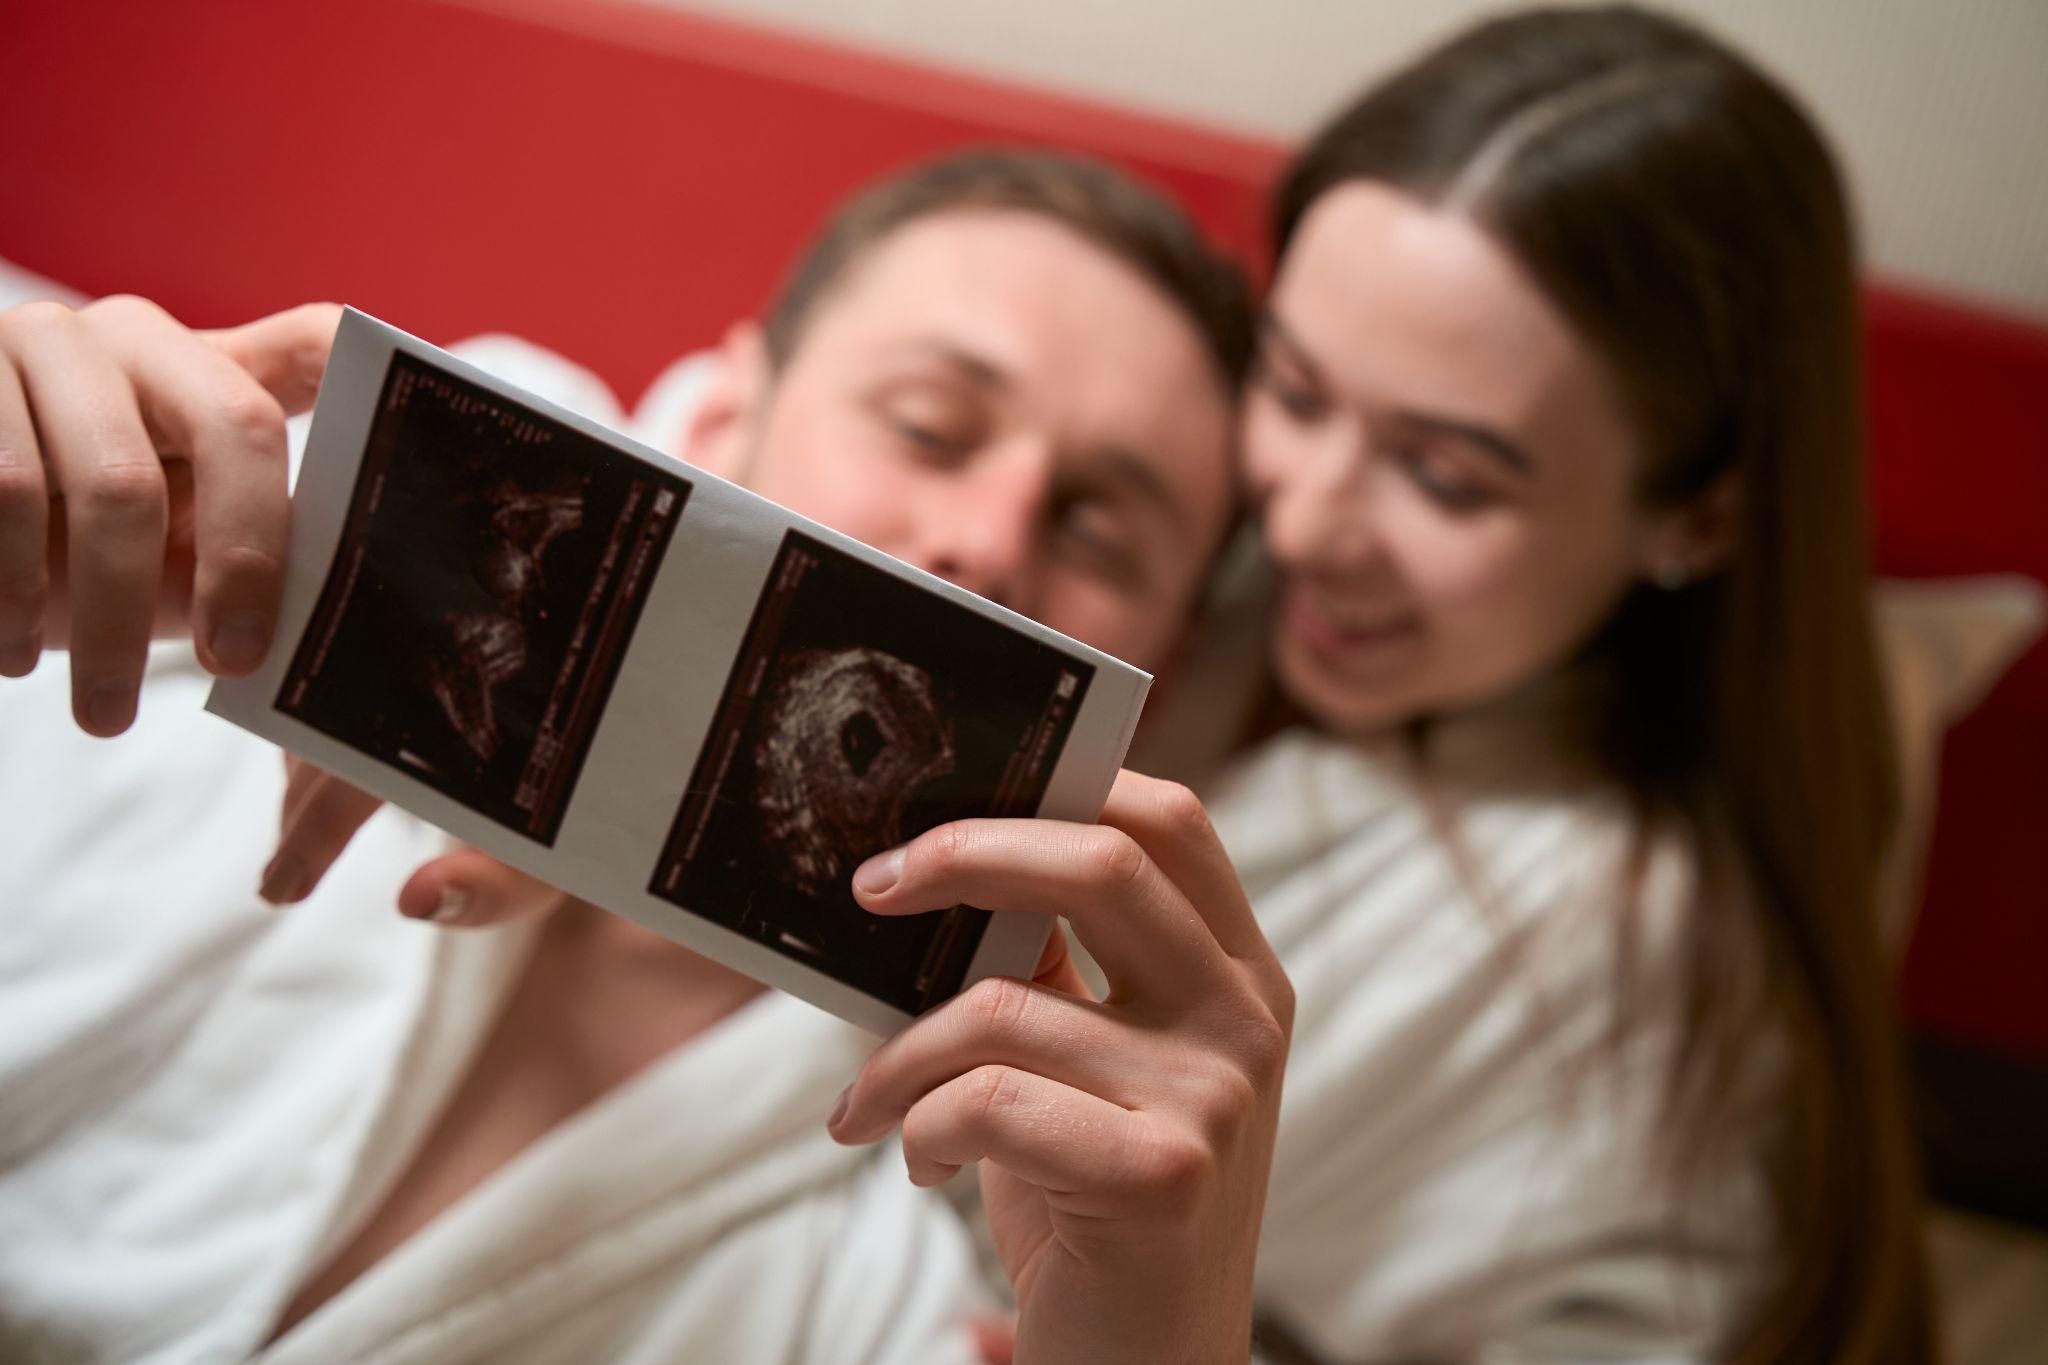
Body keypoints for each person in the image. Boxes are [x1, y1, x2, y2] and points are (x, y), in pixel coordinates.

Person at [0, 151, 1292, 1364]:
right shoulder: (154, 659)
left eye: (1100, 532)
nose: (990, 540)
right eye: (929, 426)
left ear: (1154, 688)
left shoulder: (902, 1272)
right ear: (725, 417)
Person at [1204, 7, 1935, 1362]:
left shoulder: (1626, 948)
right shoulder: (1193, 555)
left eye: (1446, 475)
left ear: (1701, 519)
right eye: (1296, 390)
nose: (1303, 522)